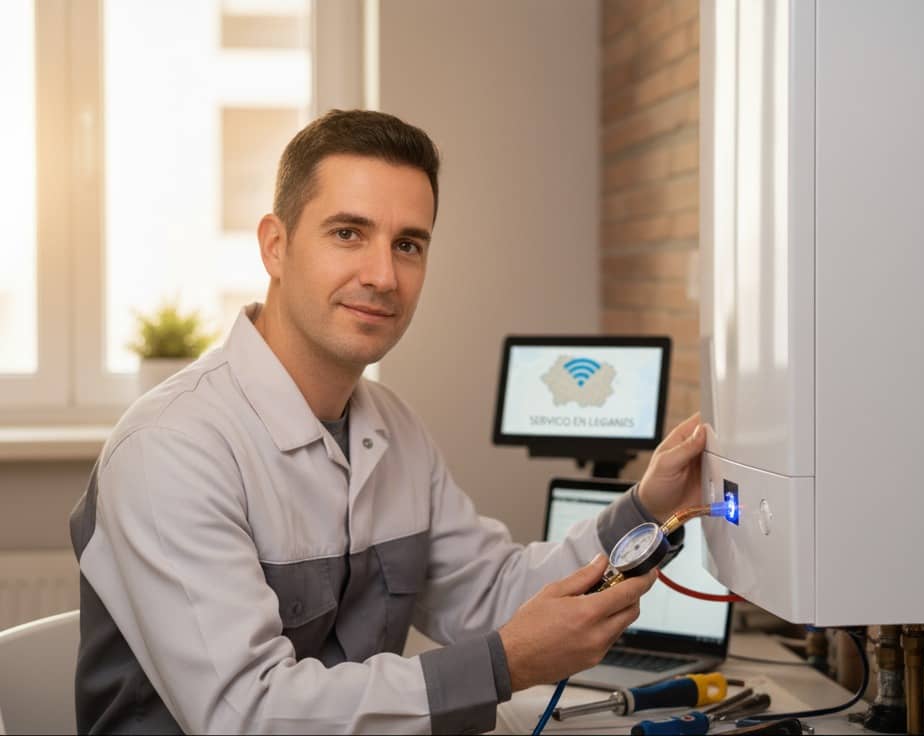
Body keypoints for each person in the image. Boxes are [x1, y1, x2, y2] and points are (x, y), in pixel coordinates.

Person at [69, 109, 708, 734]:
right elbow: (247, 713)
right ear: (276, 245)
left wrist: (648, 507)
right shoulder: (172, 447)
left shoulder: (391, 428)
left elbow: (491, 593)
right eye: (348, 233)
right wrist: (502, 665)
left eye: (408, 245)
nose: (383, 276)